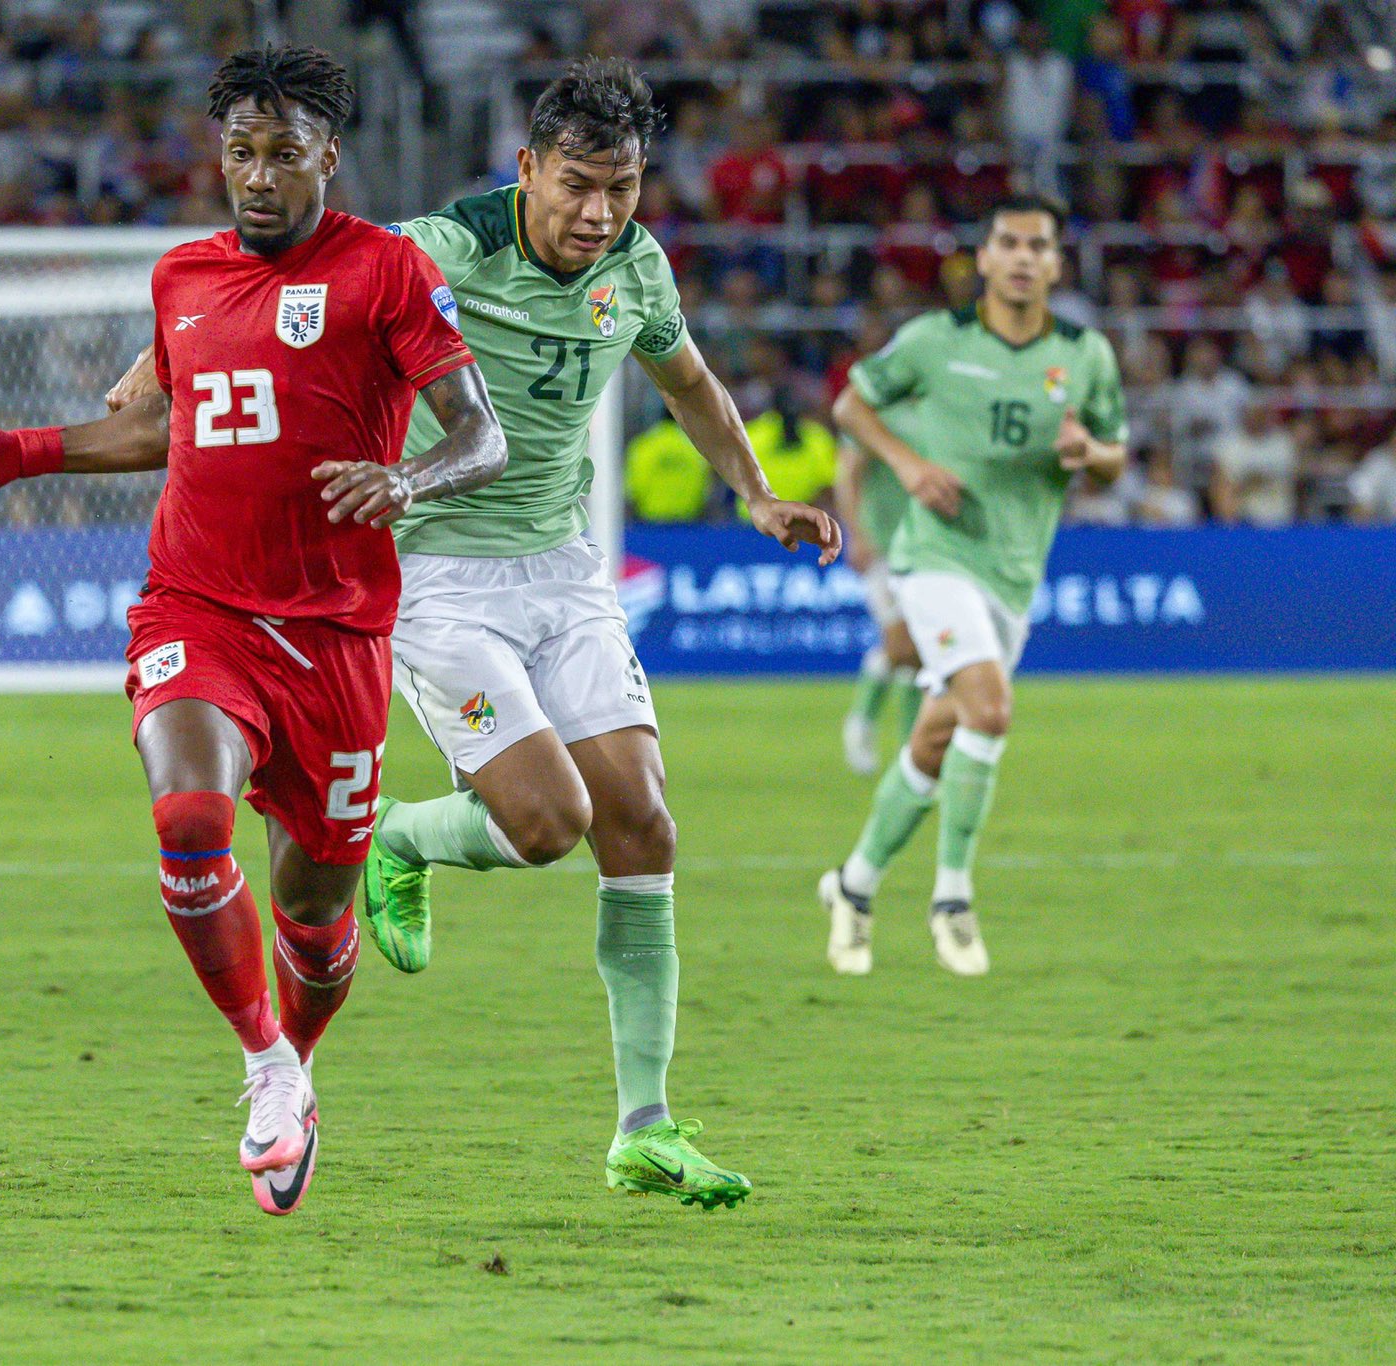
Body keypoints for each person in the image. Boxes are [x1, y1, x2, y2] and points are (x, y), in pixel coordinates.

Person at [106, 57, 836, 1210]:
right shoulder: (446, 248)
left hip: (564, 569)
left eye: (624, 188)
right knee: (549, 823)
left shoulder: (635, 270)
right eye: (578, 186)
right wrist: (158, 358)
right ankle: (394, 836)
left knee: (642, 823)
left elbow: (688, 382)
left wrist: (751, 492)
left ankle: (642, 1125)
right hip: (435, 571)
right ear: (527, 170)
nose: (599, 213)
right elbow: (295, 271)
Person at [0, 45, 507, 1218]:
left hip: (336, 638)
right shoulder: (181, 275)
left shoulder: (384, 272)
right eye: (239, 151)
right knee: (188, 819)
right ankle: (265, 1067)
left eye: (284, 153)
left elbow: (481, 437)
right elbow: (173, 429)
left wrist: (409, 481)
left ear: (327, 158)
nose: (257, 175)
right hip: (198, 604)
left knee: (317, 917)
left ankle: (300, 1058)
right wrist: (18, 457)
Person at [820, 193, 1128, 977]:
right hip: (934, 557)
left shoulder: (1086, 355)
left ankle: (852, 887)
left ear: (1057, 264)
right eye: (1009, 243)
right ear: (985, 258)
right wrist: (909, 464)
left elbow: (1116, 455)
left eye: (1039, 246)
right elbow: (851, 405)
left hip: (1016, 573)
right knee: (990, 709)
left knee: (936, 734)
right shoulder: (932, 342)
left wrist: (1087, 452)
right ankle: (952, 897)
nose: (1023, 257)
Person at [836, 403, 924, 775]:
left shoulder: (940, 406)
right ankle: (861, 722)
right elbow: (849, 472)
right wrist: (855, 533)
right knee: (902, 646)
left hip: (929, 548)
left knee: (922, 650)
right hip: (884, 545)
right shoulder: (876, 408)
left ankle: (910, 749)